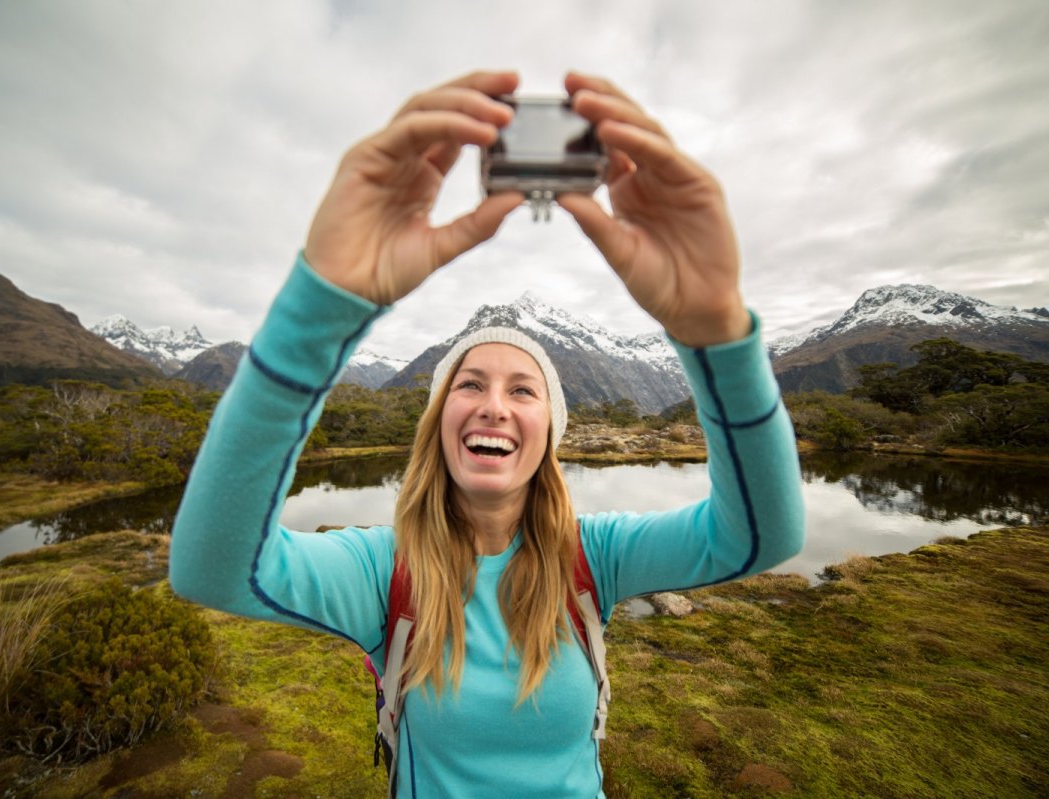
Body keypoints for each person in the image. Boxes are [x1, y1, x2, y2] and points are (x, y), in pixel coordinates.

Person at [169, 70, 805, 798]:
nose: (494, 405)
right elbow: (211, 568)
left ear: (549, 434)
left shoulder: (595, 557)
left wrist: (715, 333)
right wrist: (322, 305)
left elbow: (761, 536)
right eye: (469, 384)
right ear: (438, 421)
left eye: (523, 389)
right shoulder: (386, 571)